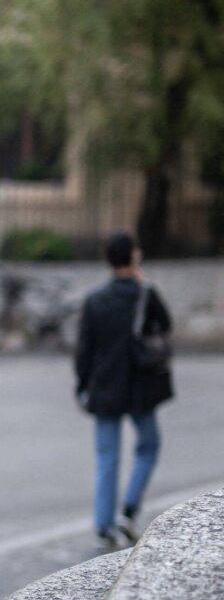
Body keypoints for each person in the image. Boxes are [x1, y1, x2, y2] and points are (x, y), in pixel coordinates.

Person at [75, 232, 173, 548]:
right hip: (140, 388)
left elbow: (84, 351)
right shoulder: (146, 293)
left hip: (104, 389)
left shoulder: (95, 300)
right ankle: (129, 510)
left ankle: (104, 524)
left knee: (107, 457)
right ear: (133, 256)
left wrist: (82, 386)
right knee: (149, 445)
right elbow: (165, 326)